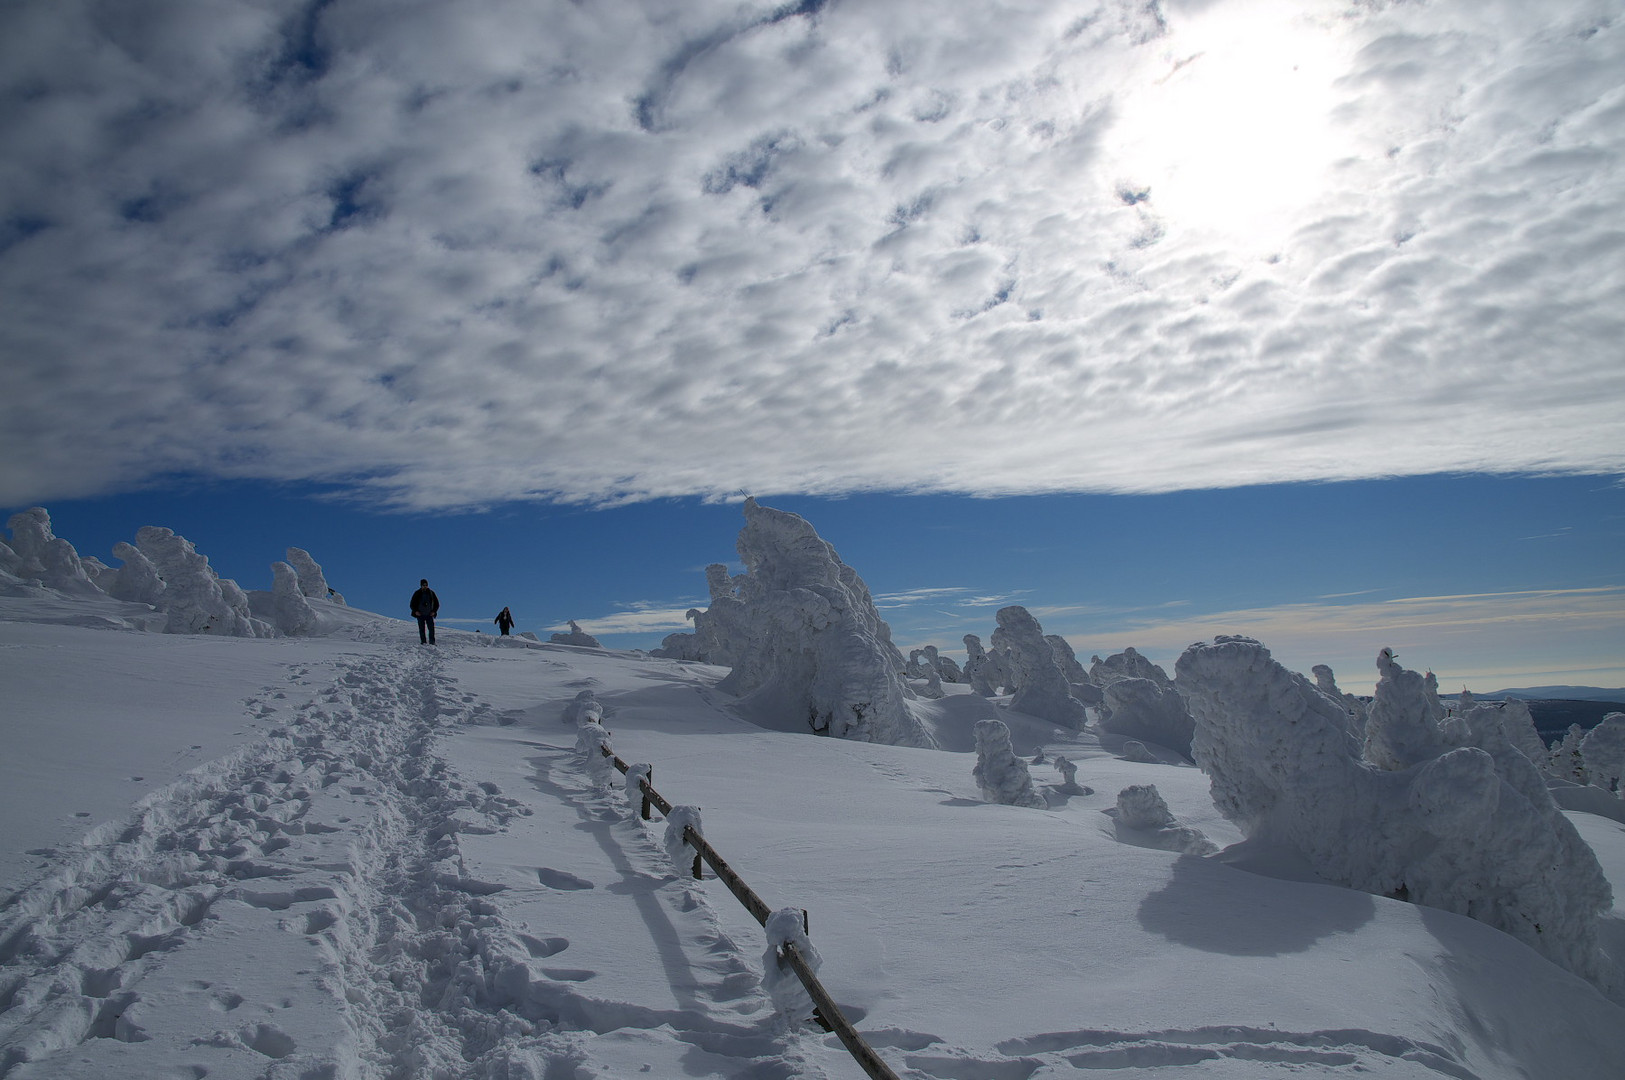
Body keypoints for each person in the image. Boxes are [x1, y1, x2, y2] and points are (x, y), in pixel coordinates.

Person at [410, 578, 439, 645]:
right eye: (423, 585)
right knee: (422, 629)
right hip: (420, 615)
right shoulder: (417, 593)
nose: (425, 586)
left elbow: (437, 604)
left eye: (426, 585)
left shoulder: (431, 593)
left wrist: (434, 611)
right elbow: (412, 604)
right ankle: (423, 642)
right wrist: (416, 611)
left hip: (429, 614)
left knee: (431, 629)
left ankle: (432, 642)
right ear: (421, 585)